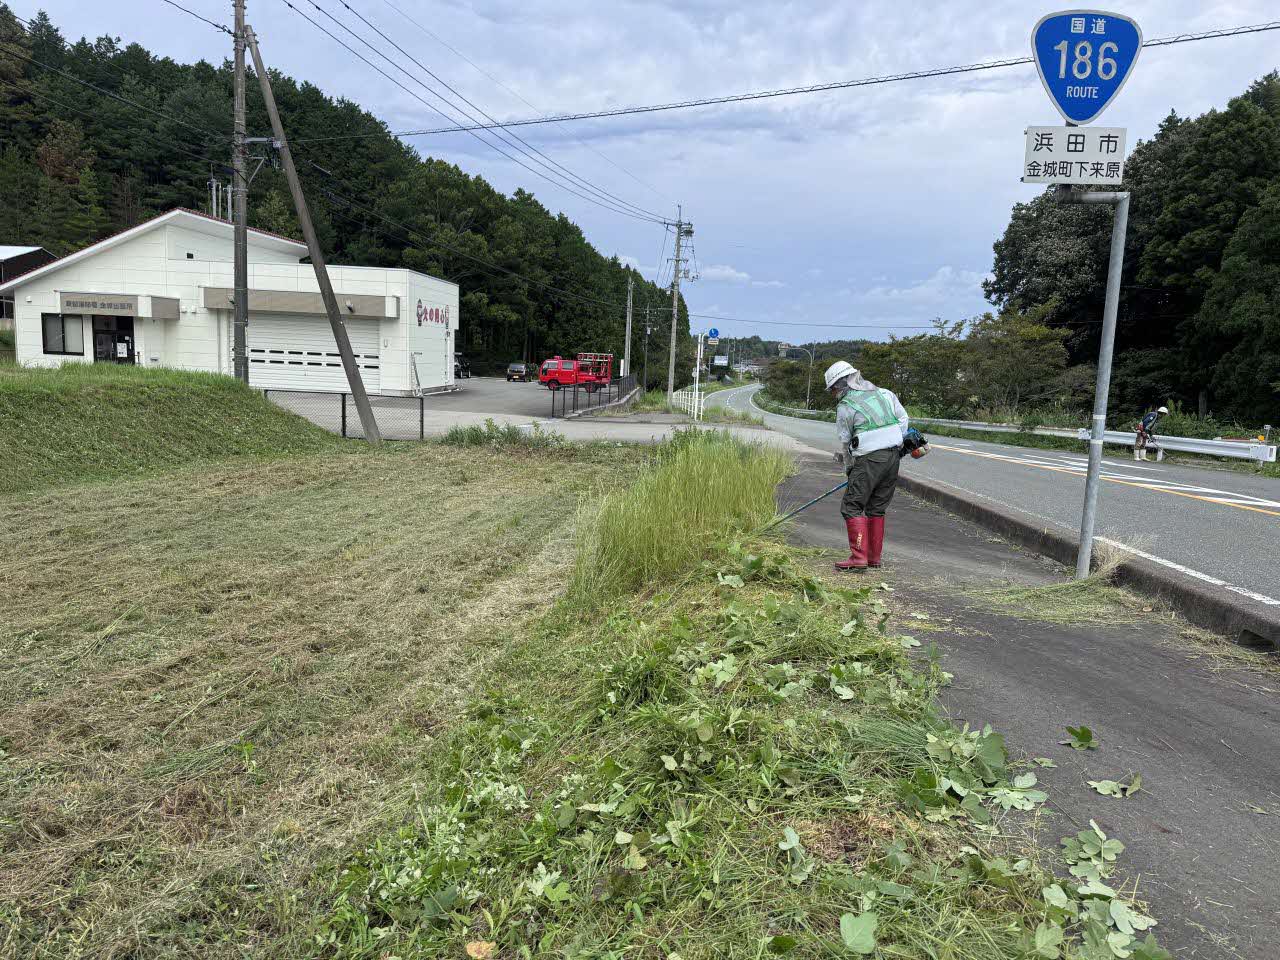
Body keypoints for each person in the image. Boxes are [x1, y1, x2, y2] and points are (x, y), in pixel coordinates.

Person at [824, 361, 909, 572]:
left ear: (841, 384)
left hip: (868, 459)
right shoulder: (884, 393)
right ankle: (873, 558)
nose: (833, 393)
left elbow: (846, 442)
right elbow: (903, 420)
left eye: (833, 389)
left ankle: (858, 557)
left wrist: (850, 469)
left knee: (851, 506)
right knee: (876, 508)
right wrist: (892, 444)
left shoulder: (845, 406)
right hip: (892, 457)